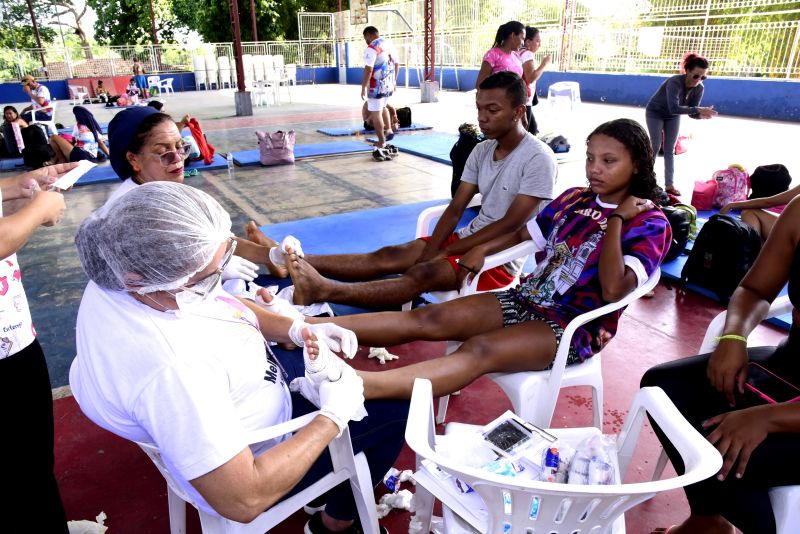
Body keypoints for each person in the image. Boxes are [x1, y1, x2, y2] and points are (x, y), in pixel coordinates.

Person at [70, 181, 407, 533]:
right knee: (395, 410)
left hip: (242, 392)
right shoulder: (172, 368)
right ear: (142, 280)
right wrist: (332, 417)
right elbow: (242, 499)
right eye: (205, 277)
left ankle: (323, 488)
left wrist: (295, 326)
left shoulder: (122, 275)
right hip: (257, 450)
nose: (217, 283)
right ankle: (333, 524)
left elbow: (216, 302)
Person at [295, 118, 670, 400]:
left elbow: (612, 288)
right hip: (526, 299)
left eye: (608, 161)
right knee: (430, 317)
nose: (594, 169)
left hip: (573, 327)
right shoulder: (574, 199)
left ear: (636, 164)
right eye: (590, 158)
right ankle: (305, 327)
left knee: (480, 349)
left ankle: (360, 387)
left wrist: (618, 218)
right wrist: (481, 248)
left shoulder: (650, 223)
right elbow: (524, 235)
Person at [275, 72, 556, 309]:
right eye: (479, 109)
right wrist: (433, 249)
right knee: (389, 255)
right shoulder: (483, 149)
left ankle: (323, 290)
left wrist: (444, 254)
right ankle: (301, 261)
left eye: (492, 110)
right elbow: (456, 208)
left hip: (496, 258)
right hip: (467, 239)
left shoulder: (538, 158)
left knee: (420, 274)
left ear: (519, 111)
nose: (482, 118)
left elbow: (510, 225)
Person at [641, 195, 800, 534]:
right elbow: (756, 289)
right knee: (662, 389)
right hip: (793, 363)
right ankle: (707, 520)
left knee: (719, 451)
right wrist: (734, 337)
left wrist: (771, 417)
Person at [99, 106, 283, 282]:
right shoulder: (132, 214)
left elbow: (215, 240)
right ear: (133, 159)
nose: (178, 159)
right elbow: (157, 285)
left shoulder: (161, 189)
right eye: (163, 152)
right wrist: (211, 270)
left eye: (180, 147)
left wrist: (271, 255)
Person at [0, 163, 78, 533]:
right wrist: (39, 209)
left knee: (31, 461)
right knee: (25, 464)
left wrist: (18, 190)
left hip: (12, 332)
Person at [645, 53, 718, 196]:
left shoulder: (699, 88)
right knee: (655, 145)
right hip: (655, 112)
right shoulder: (674, 82)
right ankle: (645, 180)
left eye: (703, 77)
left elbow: (691, 112)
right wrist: (697, 109)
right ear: (687, 71)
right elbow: (674, 107)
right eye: (696, 76)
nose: (698, 80)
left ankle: (669, 185)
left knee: (670, 149)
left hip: (673, 116)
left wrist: (701, 115)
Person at [361, 26, 400, 156]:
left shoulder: (371, 48)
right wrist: (394, 81)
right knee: (383, 108)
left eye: (365, 38)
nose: (365, 40)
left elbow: (368, 69)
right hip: (388, 83)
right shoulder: (389, 45)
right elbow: (397, 64)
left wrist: (363, 87)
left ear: (368, 35)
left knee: (376, 112)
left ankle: (381, 141)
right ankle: (388, 130)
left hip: (376, 85)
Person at [475, 21, 525, 89]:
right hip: (496, 99)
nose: (523, 43)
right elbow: (480, 85)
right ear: (513, 35)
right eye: (522, 38)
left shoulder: (516, 57)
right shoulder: (492, 55)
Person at [520, 26, 551, 135]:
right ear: (528, 42)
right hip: (524, 98)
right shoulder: (527, 54)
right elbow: (531, 78)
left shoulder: (520, 52)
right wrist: (544, 64)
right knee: (527, 131)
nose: (540, 44)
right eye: (537, 41)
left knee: (532, 128)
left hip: (523, 97)